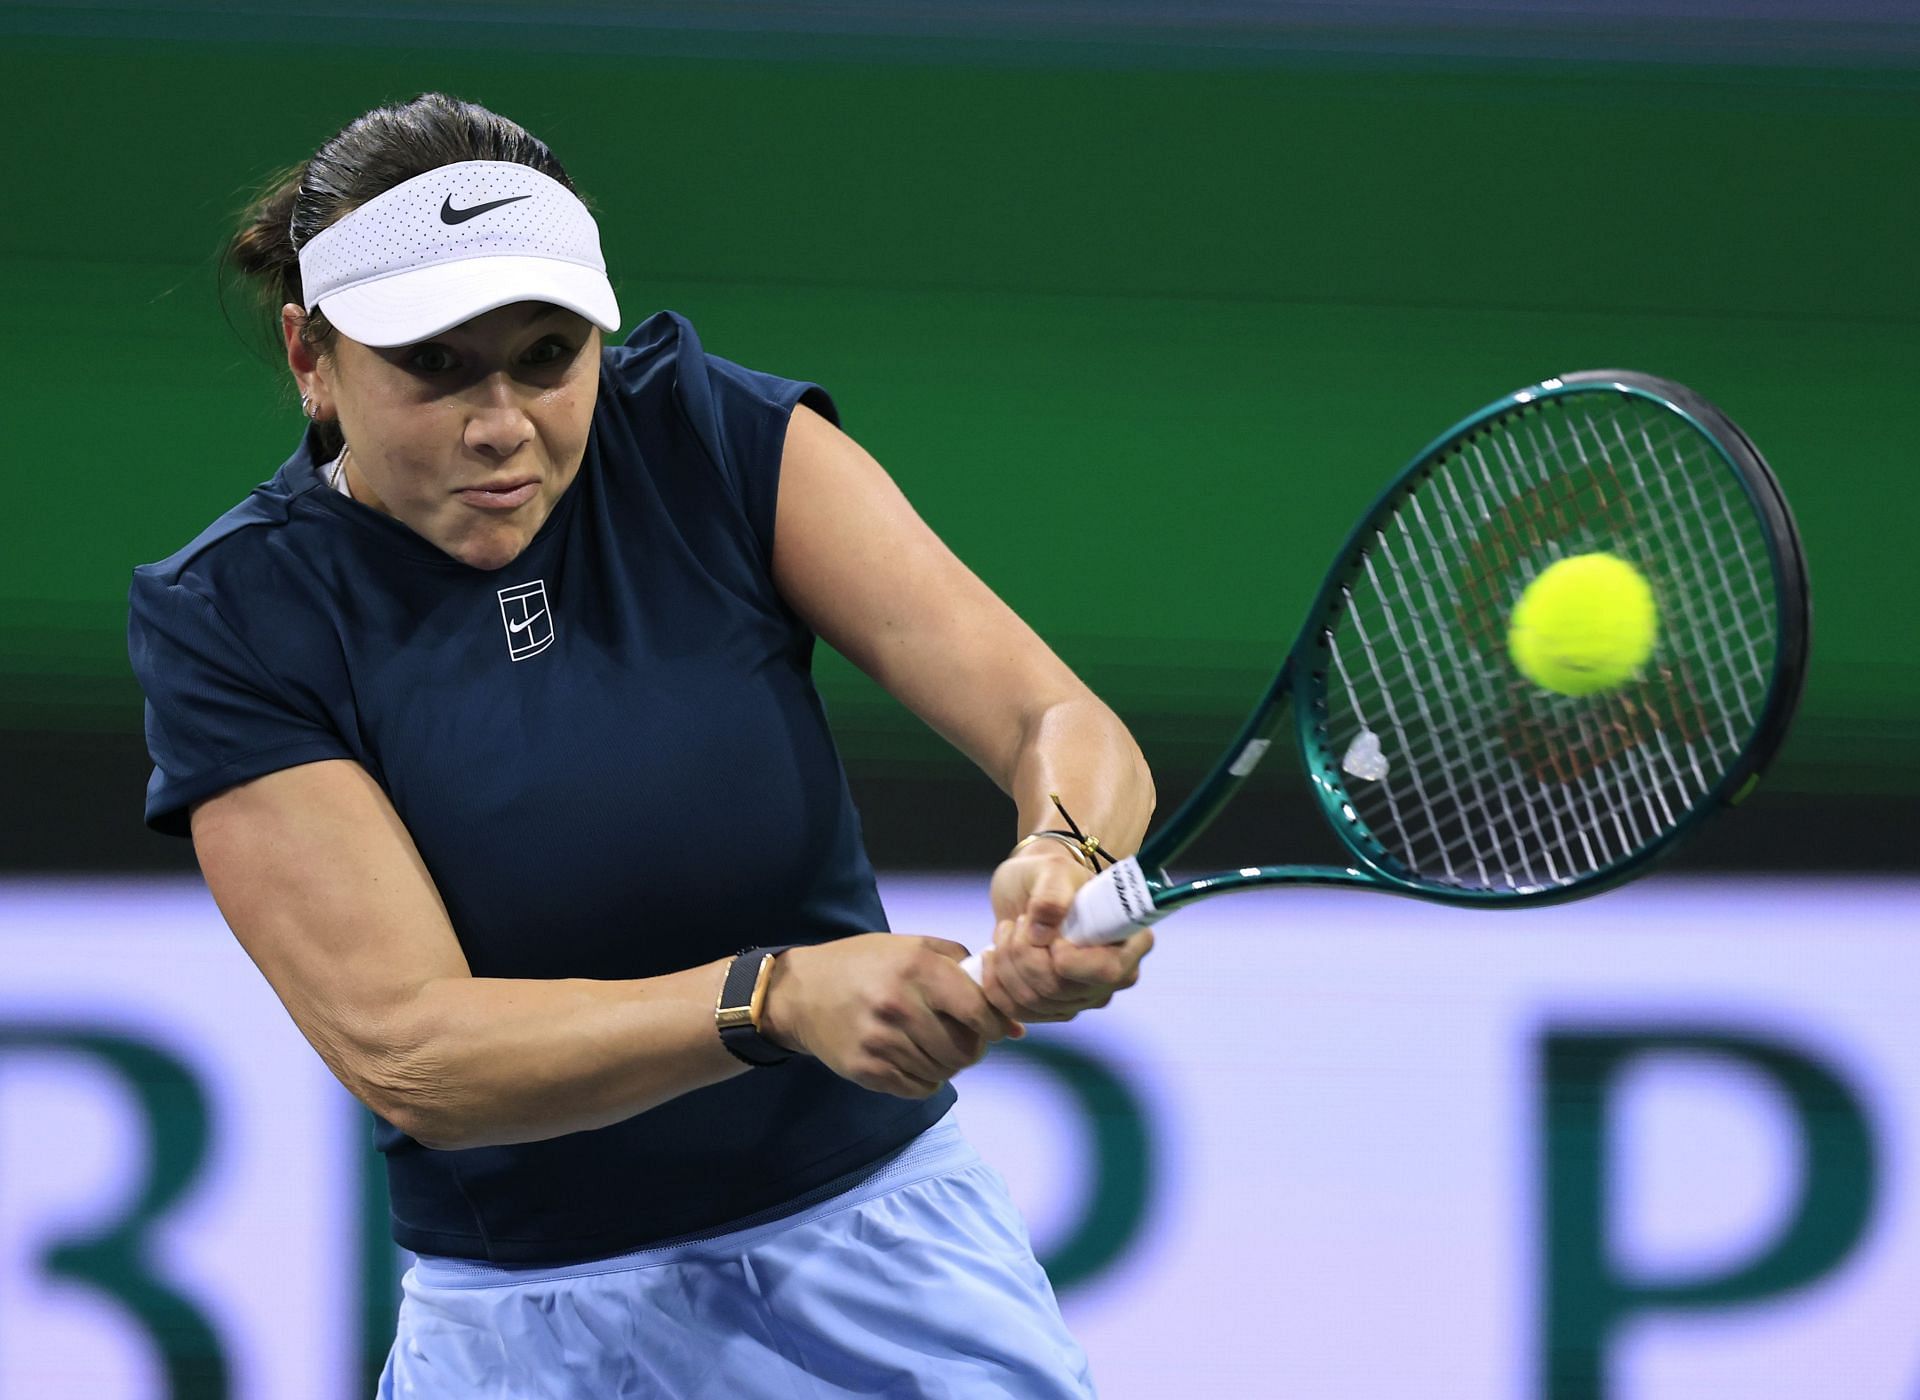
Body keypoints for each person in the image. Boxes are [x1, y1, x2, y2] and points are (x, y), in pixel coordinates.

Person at [128, 92, 1155, 1398]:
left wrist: (1066, 850)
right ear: (310, 358)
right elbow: (414, 1051)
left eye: (549, 355)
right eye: (435, 365)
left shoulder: (707, 436)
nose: (501, 421)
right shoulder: (237, 616)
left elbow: (1054, 720)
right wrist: (776, 999)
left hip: (891, 1265)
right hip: (533, 1332)